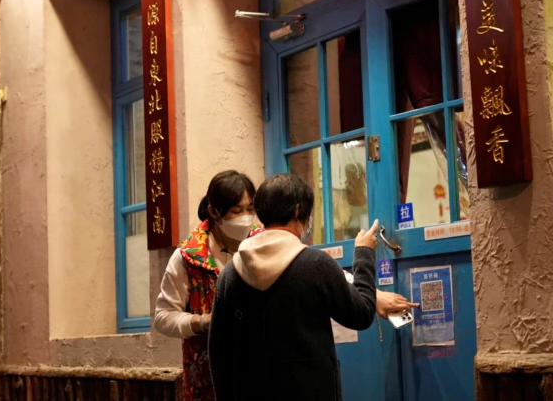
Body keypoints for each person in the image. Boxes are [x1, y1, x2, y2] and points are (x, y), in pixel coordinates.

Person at [210, 173, 409, 401]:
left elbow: (218, 351)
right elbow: (362, 314)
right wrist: (364, 253)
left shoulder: (230, 273)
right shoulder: (315, 264)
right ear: (297, 211)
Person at [154, 170, 261, 401]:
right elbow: (163, 317)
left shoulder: (263, 244)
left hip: (260, 375)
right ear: (214, 212)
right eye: (236, 211)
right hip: (207, 381)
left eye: (250, 209)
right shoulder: (188, 257)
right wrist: (201, 322)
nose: (246, 217)